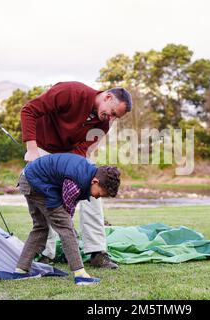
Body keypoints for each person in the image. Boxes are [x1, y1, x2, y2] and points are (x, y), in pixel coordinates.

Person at [20, 81, 132, 269]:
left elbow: (82, 150)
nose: (111, 118)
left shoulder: (104, 123)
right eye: (112, 112)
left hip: (70, 156)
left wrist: (70, 178)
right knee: (45, 197)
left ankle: (97, 251)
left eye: (115, 117)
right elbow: (29, 110)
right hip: (42, 149)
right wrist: (31, 150)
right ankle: (46, 253)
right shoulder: (71, 92)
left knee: (95, 191)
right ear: (107, 97)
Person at [15, 153, 121, 285]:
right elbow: (64, 215)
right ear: (95, 182)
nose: (98, 197)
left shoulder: (86, 175)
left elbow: (69, 206)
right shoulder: (76, 182)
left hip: (27, 178)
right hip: (35, 183)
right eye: (99, 194)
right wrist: (70, 231)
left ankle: (21, 270)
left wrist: (67, 224)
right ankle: (80, 274)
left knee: (41, 227)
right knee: (66, 229)